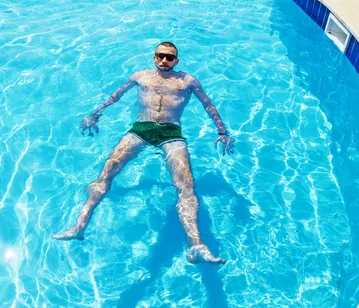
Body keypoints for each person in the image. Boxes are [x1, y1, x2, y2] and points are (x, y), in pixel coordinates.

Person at [53, 42, 235, 265]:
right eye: (160, 56)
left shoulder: (188, 81)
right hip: (141, 129)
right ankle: (79, 226)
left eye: (170, 57)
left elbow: (208, 105)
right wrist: (95, 113)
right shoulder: (140, 76)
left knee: (186, 186)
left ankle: (195, 244)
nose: (164, 61)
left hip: (171, 132)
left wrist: (222, 131)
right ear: (154, 57)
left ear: (176, 60)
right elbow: (115, 96)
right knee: (106, 173)